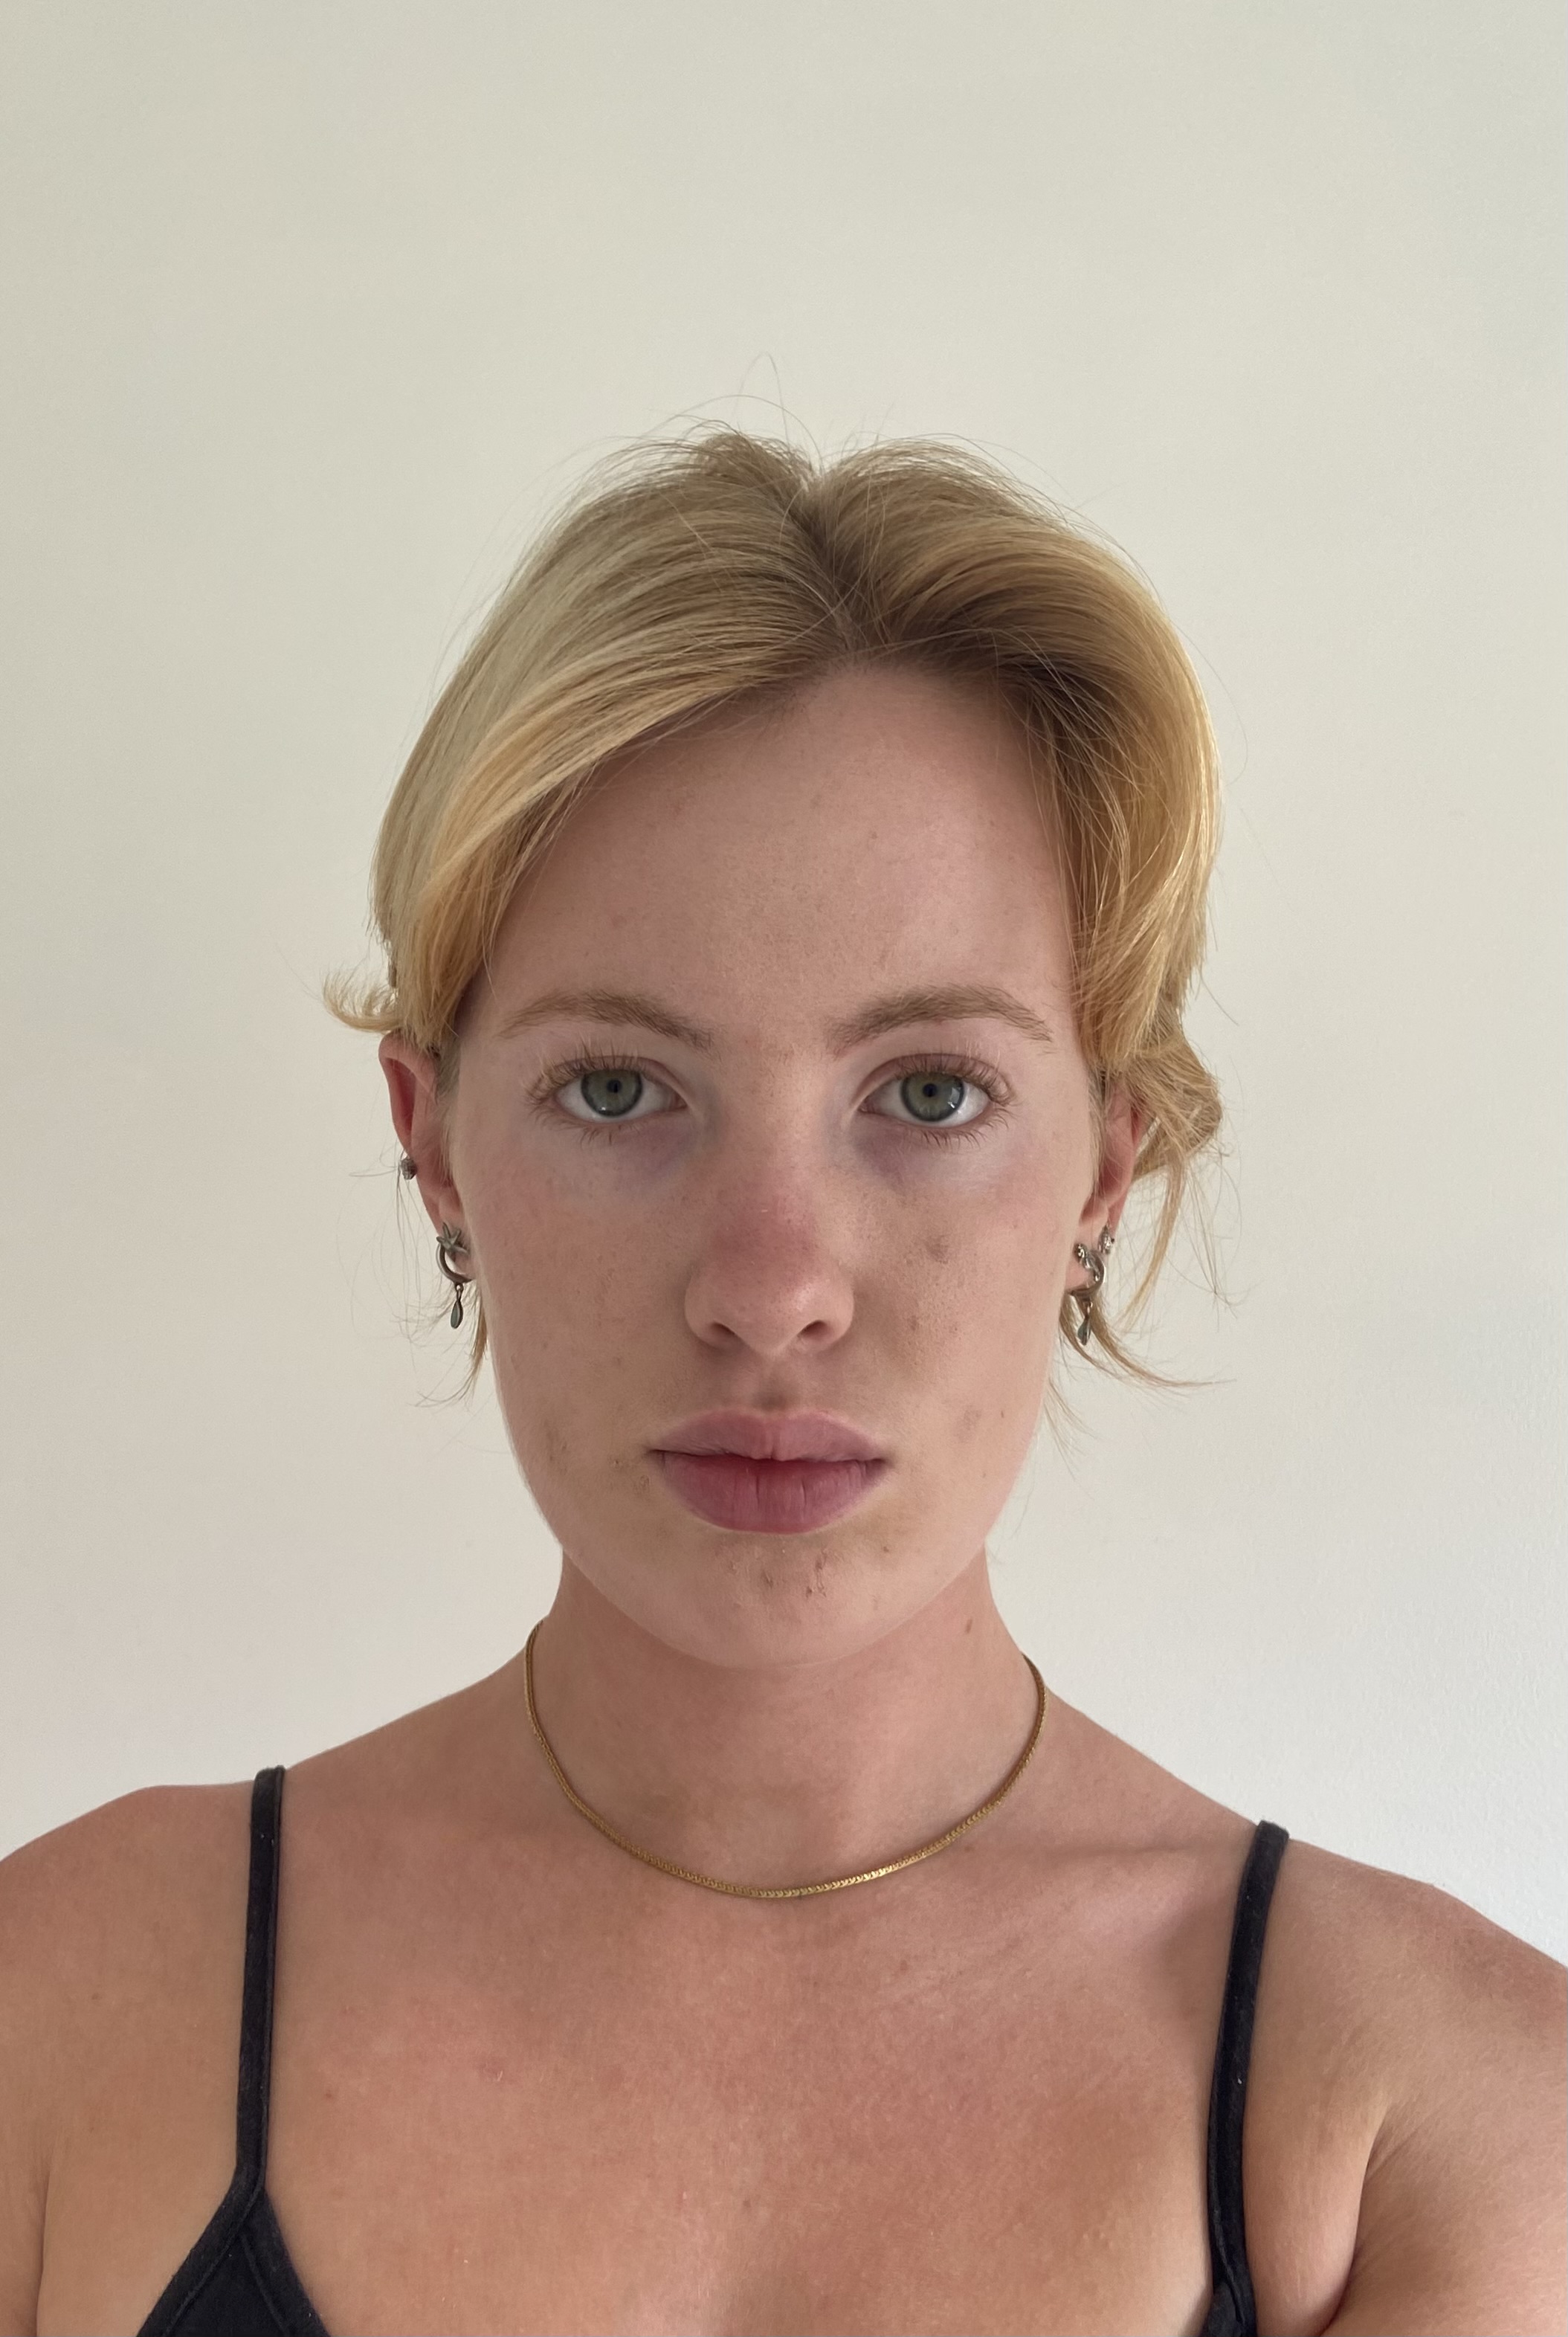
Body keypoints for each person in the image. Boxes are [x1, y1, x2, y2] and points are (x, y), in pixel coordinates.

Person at [0, 429, 1561, 2337]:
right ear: (432, 1143)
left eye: (930, 1093)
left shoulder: (1446, 2124)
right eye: (615, 1090)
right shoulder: (58, 2020)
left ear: (1103, 1166)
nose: (770, 1291)